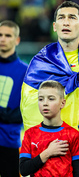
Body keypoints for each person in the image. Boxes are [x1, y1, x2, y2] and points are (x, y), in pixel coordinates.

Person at [21, 1, 79, 176]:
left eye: (72, 18)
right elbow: (28, 104)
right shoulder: (42, 62)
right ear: (55, 26)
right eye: (61, 18)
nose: (66, 22)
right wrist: (71, 96)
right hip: (52, 153)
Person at [20, 80, 79, 176]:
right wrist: (47, 153)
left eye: (51, 99)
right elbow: (23, 170)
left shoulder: (73, 135)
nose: (45, 103)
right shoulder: (30, 134)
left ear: (62, 103)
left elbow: (78, 173)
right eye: (41, 99)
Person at [0, 20, 28, 177]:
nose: (3, 39)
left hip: (9, 143)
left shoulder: (25, 71)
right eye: (0, 35)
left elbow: (25, 112)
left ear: (17, 40)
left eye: (8, 35)